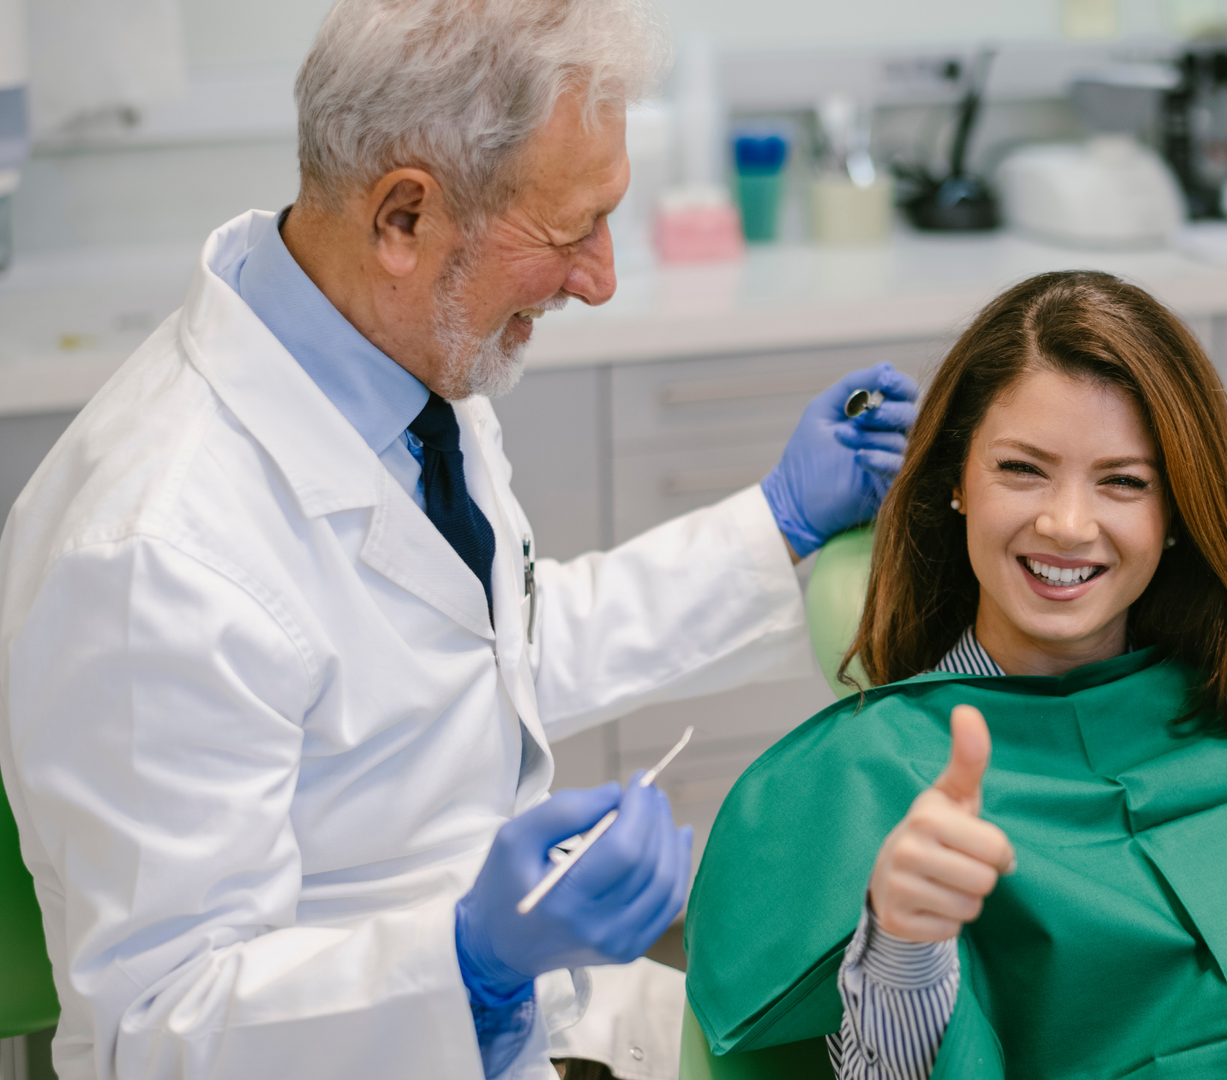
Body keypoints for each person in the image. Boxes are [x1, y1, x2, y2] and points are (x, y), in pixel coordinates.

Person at [0, 1, 917, 1078]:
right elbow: (152, 1039)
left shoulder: (389, 361)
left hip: (520, 1024)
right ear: (403, 218)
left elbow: (489, 650)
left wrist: (778, 522)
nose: (601, 278)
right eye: (572, 229)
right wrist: (466, 962)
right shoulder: (156, 554)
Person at [684, 271, 1227, 1079]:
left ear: (1177, 511)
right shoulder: (869, 775)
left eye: (1124, 482)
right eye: (1022, 469)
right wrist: (904, 939)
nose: (1068, 525)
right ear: (957, 482)